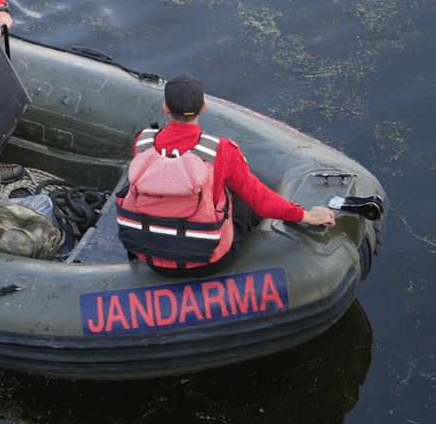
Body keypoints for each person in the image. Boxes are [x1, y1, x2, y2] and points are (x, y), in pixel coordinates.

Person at [116, 72, 336, 277]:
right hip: (207, 261)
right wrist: (306, 215)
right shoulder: (221, 150)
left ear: (166, 108)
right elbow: (262, 202)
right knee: (242, 201)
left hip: (152, 259)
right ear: (203, 106)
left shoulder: (143, 143)